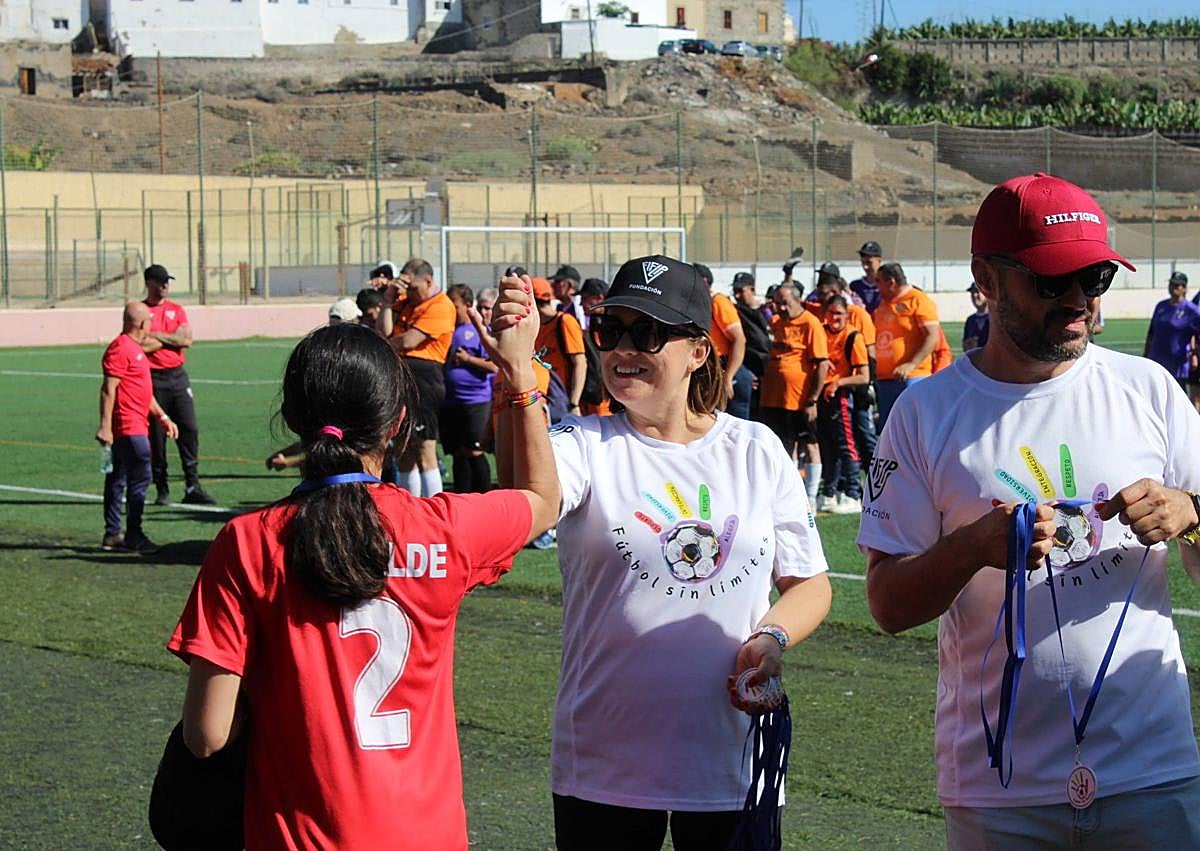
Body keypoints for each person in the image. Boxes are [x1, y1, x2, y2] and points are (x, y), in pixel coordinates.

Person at [860, 172, 1200, 849]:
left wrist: (1191, 511)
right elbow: (888, 605)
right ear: (985, 278)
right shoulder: (925, 414)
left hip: (1153, 774)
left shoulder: (1150, 390)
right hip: (999, 791)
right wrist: (972, 548)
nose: (1078, 300)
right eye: (1052, 280)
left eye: (1095, 276)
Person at [166, 283, 560, 850]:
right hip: (428, 835)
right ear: (397, 422)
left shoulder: (247, 543)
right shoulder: (444, 530)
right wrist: (520, 377)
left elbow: (207, 736)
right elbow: (541, 500)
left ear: (294, 417)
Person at [513, 254, 831, 850]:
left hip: (732, 759)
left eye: (649, 332)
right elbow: (531, 504)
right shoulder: (584, 442)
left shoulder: (755, 448)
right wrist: (520, 376)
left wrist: (772, 638)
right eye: (611, 331)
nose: (623, 348)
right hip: (605, 765)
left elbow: (810, 583)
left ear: (698, 351)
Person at [98, 301, 179, 553]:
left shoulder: (135, 349)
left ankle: (113, 534)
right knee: (139, 479)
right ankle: (133, 534)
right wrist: (105, 427)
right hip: (127, 427)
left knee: (117, 478)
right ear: (142, 324)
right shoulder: (121, 348)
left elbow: (144, 392)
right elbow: (108, 388)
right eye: (149, 322)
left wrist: (163, 417)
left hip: (134, 425)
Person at [378, 258, 456, 496]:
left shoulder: (441, 305)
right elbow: (384, 331)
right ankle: (408, 508)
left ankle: (432, 510)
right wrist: (388, 299)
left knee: (424, 448)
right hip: (401, 375)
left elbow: (408, 341)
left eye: (413, 288)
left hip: (424, 379)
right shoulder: (404, 302)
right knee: (403, 449)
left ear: (429, 281)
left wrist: (381, 346)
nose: (409, 293)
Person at [141, 264, 216, 506]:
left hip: (177, 377)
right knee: (157, 435)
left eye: (167, 282)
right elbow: (140, 344)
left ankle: (192, 485)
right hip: (152, 378)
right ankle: (162, 488)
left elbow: (187, 339)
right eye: (160, 281)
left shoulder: (177, 309)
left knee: (189, 429)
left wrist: (158, 336)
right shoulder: (140, 311)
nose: (165, 286)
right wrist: (172, 338)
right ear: (149, 282)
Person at [760, 282, 829, 503]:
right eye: (777, 303)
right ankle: (790, 496)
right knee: (782, 446)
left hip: (799, 398)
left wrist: (813, 399)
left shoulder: (810, 323)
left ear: (798, 300)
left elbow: (822, 364)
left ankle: (810, 497)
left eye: (785, 303)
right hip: (773, 397)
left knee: (809, 444)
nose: (780, 307)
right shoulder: (776, 322)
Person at [441, 283, 498, 493]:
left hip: (476, 401)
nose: (451, 310)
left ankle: (483, 496)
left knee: (475, 451)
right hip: (450, 401)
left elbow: (493, 365)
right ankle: (460, 495)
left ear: (466, 305)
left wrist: (467, 359)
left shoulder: (478, 331)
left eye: (454, 305)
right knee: (457, 453)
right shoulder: (448, 330)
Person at [815, 295, 868, 515]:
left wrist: (838, 382)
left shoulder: (853, 337)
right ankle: (829, 491)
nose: (834, 318)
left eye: (839, 313)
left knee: (847, 445)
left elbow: (864, 376)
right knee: (827, 447)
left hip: (841, 396)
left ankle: (854, 493)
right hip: (822, 396)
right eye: (831, 313)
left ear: (847, 315)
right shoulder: (822, 332)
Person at [872, 261, 940, 428]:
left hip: (911, 378)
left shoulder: (918, 300)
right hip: (885, 380)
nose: (876, 286)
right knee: (889, 432)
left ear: (891, 282)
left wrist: (911, 364)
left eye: (878, 281)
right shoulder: (884, 304)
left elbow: (932, 337)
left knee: (913, 430)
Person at [694, 263, 752, 420]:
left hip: (728, 369)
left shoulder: (718, 302)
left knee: (734, 425)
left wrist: (728, 377)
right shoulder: (702, 305)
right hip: (714, 369)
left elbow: (739, 339)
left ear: (704, 281)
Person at [533, 276, 588, 421]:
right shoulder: (536, 328)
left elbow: (580, 363)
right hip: (549, 401)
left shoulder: (565, 322)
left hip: (566, 403)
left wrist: (574, 403)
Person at [1143, 271, 1200, 393]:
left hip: (1177, 365)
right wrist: (1146, 354)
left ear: (1184, 288)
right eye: (1171, 284)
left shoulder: (1192, 311)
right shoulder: (1161, 306)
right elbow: (1152, 332)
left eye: (1177, 285)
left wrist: (1194, 353)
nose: (1173, 287)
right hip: (1156, 361)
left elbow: (1196, 333)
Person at [849, 241, 884, 314]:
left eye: (869, 262)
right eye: (863, 262)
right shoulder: (855, 285)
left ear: (879, 261)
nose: (865, 266)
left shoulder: (887, 285)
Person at [962, 281, 990, 351]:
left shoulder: (996, 319)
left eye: (977, 291)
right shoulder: (970, 320)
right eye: (972, 293)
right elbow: (965, 347)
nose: (974, 295)